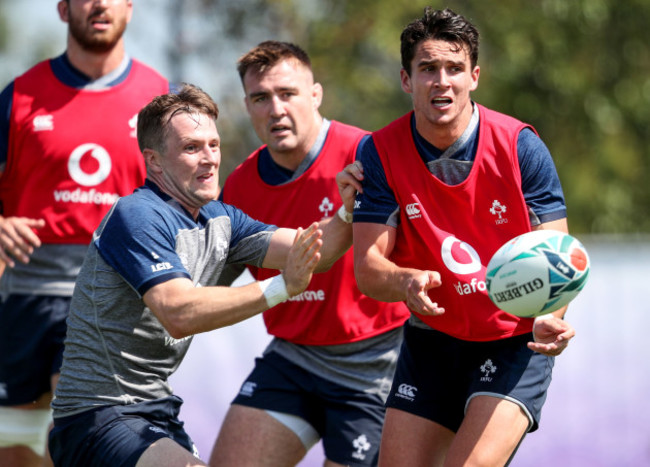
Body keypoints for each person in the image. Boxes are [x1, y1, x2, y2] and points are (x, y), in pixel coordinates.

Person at [47, 82, 356, 467]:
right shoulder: (138, 215)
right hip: (98, 415)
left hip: (155, 411)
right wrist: (281, 287)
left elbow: (313, 251)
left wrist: (351, 208)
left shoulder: (219, 218)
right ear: (155, 161)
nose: (209, 158)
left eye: (214, 144)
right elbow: (179, 312)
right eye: (192, 148)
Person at [340, 7, 577, 466]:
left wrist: (551, 315)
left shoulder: (519, 145)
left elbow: (558, 255)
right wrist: (405, 282)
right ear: (407, 80)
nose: (441, 81)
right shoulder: (380, 151)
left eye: (454, 68)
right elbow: (368, 269)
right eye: (427, 68)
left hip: (515, 338)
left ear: (474, 77)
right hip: (433, 338)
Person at [210, 41, 409, 467]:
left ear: (315, 95)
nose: (275, 109)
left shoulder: (368, 156)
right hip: (292, 359)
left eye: (288, 93)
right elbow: (204, 287)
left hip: (375, 368)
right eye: (261, 98)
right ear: (246, 105)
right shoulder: (240, 187)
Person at [0, 1, 173, 466]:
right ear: (63, 10)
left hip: (108, 295)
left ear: (130, 10)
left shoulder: (162, 98)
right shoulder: (18, 95)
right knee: (15, 449)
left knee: (83, 430)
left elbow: (191, 198)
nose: (99, 3)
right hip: (23, 295)